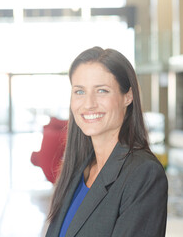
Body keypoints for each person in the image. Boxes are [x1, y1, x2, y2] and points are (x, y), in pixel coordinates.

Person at [45, 47, 168, 237]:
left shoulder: (143, 174)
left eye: (102, 90)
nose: (88, 104)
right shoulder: (79, 168)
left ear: (128, 96)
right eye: (79, 92)